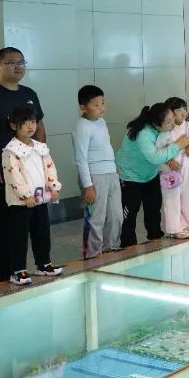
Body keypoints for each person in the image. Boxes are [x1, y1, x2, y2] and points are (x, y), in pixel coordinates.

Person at [0, 47, 46, 285]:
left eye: (21, 62)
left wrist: (43, 161)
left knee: (30, 222)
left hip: (30, 172)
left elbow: (39, 128)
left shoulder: (29, 93)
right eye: (12, 63)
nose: (18, 67)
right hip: (2, 171)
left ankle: (24, 268)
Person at [1, 105, 64, 286]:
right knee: (19, 236)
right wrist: (25, 195)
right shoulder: (11, 150)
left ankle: (43, 263)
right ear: (14, 126)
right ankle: (17, 270)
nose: (31, 126)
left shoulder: (40, 147)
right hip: (21, 203)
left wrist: (54, 187)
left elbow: (50, 167)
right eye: (25, 123)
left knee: (42, 232)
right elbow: (13, 176)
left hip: (40, 199)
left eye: (33, 122)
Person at [116, 102, 189, 246]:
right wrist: (177, 145)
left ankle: (155, 238)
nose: (173, 124)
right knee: (130, 211)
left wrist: (171, 158)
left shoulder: (161, 129)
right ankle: (128, 245)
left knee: (154, 207)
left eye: (173, 119)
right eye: (168, 122)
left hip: (150, 174)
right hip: (130, 175)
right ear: (156, 124)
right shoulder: (143, 134)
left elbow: (163, 148)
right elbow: (155, 157)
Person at [72, 85, 123, 258]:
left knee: (116, 215)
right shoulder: (82, 127)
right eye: (96, 105)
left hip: (111, 173)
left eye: (103, 103)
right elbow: (80, 159)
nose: (102, 108)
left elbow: (105, 147)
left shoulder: (101, 122)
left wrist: (113, 166)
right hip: (95, 176)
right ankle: (93, 255)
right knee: (97, 218)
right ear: (83, 107)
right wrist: (87, 185)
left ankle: (111, 248)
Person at [156, 97, 189, 239]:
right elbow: (158, 149)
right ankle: (175, 228)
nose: (183, 113)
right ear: (170, 113)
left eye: (184, 109)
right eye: (179, 110)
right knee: (172, 199)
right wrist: (168, 161)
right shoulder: (166, 130)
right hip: (170, 171)